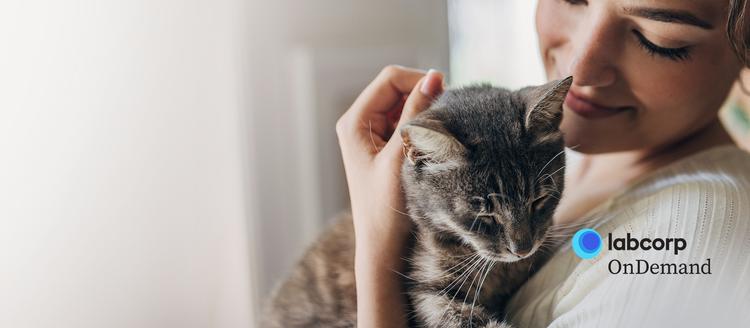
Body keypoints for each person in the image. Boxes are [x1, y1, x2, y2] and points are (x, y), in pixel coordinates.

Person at [334, 0, 750, 327]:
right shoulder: (560, 160)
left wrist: (377, 257)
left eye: (658, 39)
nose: (579, 69)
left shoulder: (696, 234)